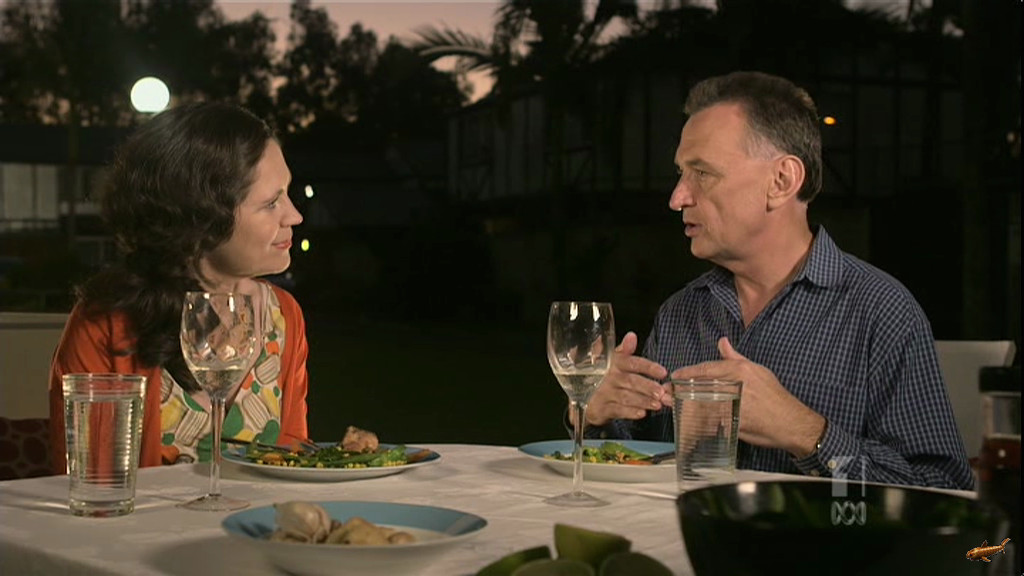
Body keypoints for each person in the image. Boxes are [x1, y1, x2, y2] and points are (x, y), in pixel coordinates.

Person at [582, 71, 972, 489]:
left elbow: (943, 490)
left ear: (782, 181)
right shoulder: (681, 312)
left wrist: (803, 432)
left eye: (702, 173)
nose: (678, 197)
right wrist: (594, 414)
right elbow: (637, 467)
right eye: (681, 173)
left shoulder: (881, 312)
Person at [48, 101, 309, 473]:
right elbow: (88, 481)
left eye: (287, 193)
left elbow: (293, 466)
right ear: (201, 216)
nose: (294, 215)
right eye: (271, 203)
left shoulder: (284, 316)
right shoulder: (106, 323)